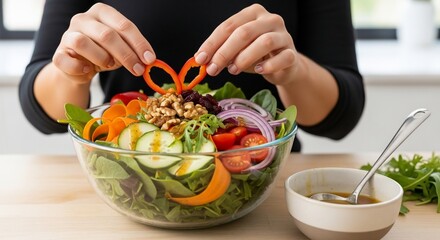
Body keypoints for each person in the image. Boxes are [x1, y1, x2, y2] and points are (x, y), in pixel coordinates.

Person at [19, 1, 365, 152]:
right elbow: (43, 110)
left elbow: (341, 116)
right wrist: (72, 72)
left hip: (259, 176)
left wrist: (293, 71)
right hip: (131, 178)